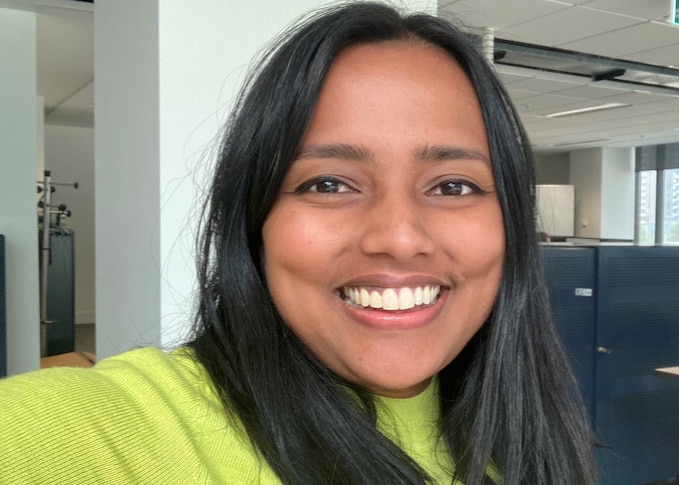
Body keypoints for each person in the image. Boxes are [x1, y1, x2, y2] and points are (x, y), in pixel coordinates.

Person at [0, 3, 596, 483]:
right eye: (329, 183)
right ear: (255, 216)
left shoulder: (524, 428)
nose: (398, 237)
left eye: (454, 185)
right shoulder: (107, 433)